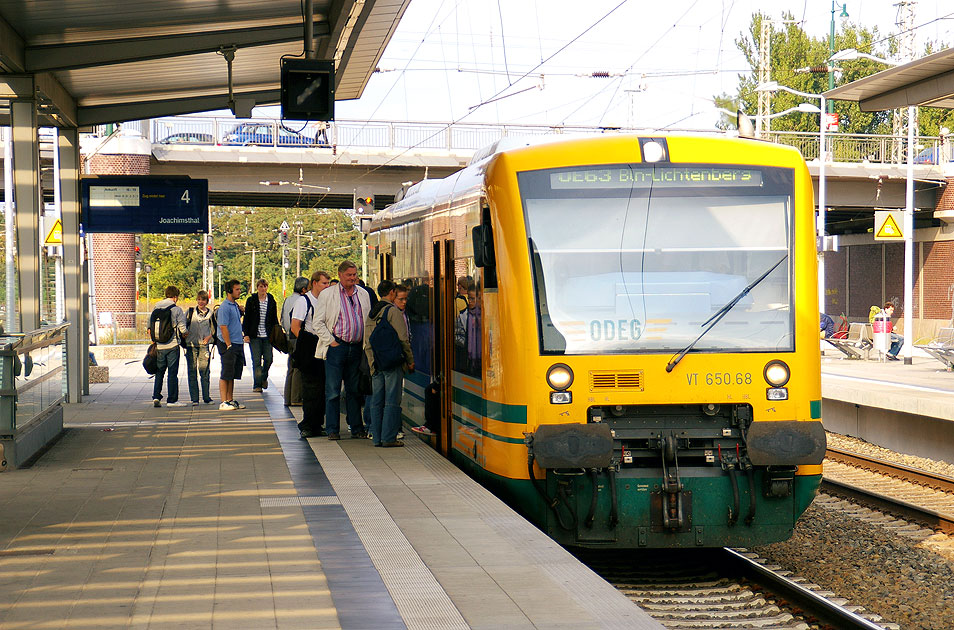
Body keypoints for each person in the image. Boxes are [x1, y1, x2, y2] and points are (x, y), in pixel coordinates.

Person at [314, 260, 372, 440]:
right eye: (349, 275)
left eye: (355, 275)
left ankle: (356, 427)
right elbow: (318, 322)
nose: (353, 278)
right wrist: (331, 342)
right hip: (337, 347)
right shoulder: (328, 295)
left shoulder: (363, 294)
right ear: (340, 275)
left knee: (354, 390)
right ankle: (332, 429)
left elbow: (368, 320)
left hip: (356, 348)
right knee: (332, 390)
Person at [366, 283, 414, 447]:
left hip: (376, 362)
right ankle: (389, 437)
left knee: (377, 400)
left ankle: (377, 437)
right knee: (392, 400)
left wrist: (371, 363)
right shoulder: (392, 311)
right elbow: (403, 339)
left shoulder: (372, 313)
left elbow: (367, 341)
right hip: (391, 363)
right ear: (392, 293)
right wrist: (410, 360)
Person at [291, 271, 332, 438]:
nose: (327, 287)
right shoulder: (304, 301)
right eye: (324, 283)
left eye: (328, 284)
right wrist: (307, 341)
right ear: (314, 283)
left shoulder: (327, 300)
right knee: (310, 387)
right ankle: (308, 424)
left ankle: (317, 423)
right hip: (309, 346)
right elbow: (295, 326)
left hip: (324, 345)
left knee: (322, 387)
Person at [150, 286, 188, 407]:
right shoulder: (176, 309)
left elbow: (149, 326)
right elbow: (183, 329)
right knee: (172, 373)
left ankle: (156, 396)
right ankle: (172, 400)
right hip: (172, 345)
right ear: (175, 297)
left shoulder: (156, 307)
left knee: (159, 372)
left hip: (159, 346)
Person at [243, 278, 278, 393]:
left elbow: (274, 319)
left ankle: (263, 377)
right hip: (255, 336)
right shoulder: (251, 300)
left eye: (265, 286)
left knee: (269, 359)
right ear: (257, 288)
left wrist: (277, 332)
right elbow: (247, 318)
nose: (263, 289)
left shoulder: (271, 300)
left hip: (268, 335)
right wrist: (246, 334)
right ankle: (257, 385)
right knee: (256, 360)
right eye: (261, 287)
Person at [217, 280, 247, 410]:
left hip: (237, 342)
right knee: (226, 372)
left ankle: (230, 399)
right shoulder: (224, 307)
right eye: (237, 289)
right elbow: (223, 327)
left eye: (240, 289)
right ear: (229, 291)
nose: (239, 291)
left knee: (232, 373)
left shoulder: (234, 305)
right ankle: (223, 401)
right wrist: (228, 345)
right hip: (228, 344)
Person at [282, 277, 310, 406]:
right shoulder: (302, 301)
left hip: (289, 337)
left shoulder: (287, 299)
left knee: (291, 369)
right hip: (297, 337)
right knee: (298, 368)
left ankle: (287, 398)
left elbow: (282, 319)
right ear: (303, 289)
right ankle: (296, 398)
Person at [185, 290, 215, 406]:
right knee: (192, 372)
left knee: (205, 371)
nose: (200, 302)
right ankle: (194, 399)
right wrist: (184, 333)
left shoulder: (211, 314)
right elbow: (182, 324)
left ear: (207, 301)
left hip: (204, 346)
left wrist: (209, 337)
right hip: (191, 345)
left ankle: (206, 397)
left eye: (203, 300)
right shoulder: (190, 312)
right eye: (199, 299)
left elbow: (214, 330)